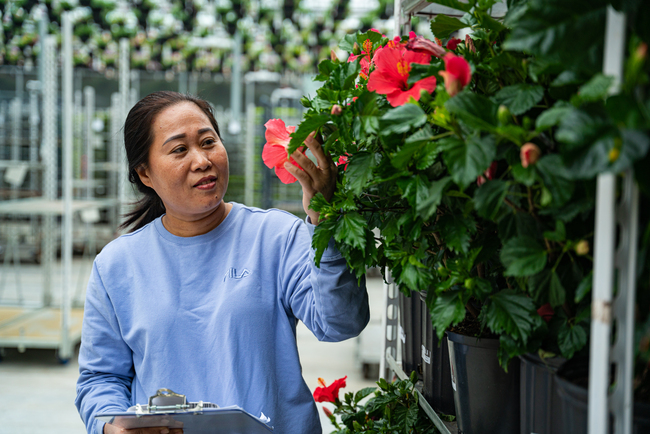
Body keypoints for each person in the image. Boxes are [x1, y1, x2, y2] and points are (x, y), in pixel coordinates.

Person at [75, 91, 370, 434]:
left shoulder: (275, 237)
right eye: (179, 149)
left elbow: (341, 324)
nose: (202, 160)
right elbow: (100, 378)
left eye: (208, 141)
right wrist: (111, 426)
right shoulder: (117, 265)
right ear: (145, 173)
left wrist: (326, 225)